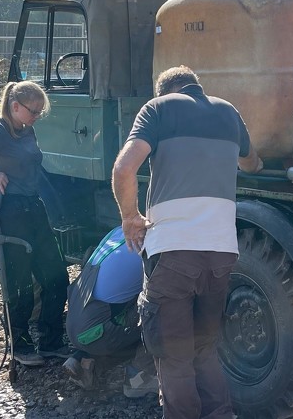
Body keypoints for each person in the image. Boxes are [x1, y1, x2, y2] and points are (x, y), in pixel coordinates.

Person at [112, 66, 262, 419]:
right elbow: (252, 163)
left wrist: (130, 218)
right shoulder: (228, 112)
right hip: (221, 253)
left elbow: (123, 169)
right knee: (206, 348)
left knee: (175, 355)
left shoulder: (158, 109)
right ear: (196, 86)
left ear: (164, 91)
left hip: (173, 253)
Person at [0, 80, 70, 367]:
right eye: (33, 111)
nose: (36, 117)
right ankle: (20, 346)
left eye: (39, 113)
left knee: (56, 275)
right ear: (15, 106)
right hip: (9, 212)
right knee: (17, 281)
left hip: (34, 206)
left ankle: (51, 341)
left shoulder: (26, 128)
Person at [62, 226, 158, 398]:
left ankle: (86, 361)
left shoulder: (120, 230)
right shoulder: (154, 243)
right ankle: (139, 377)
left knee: (129, 307)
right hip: (96, 330)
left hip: (76, 323)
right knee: (168, 308)